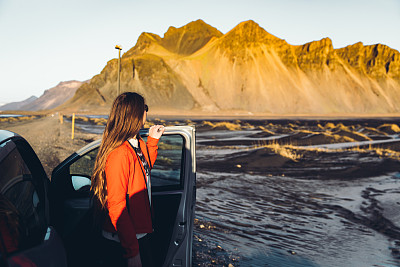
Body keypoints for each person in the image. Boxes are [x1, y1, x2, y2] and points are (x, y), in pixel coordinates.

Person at [91, 92, 164, 267]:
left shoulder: (136, 143)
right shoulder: (120, 153)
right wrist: (132, 252)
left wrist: (152, 142)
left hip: (137, 234)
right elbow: (116, 205)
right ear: (136, 113)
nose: (147, 112)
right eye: (145, 108)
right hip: (124, 241)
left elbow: (143, 170)